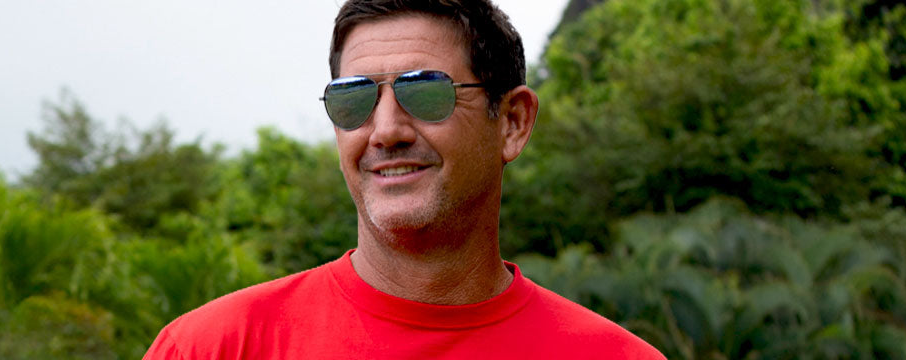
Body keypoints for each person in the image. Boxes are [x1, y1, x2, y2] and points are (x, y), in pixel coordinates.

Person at [141, 0, 663, 358]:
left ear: (512, 122)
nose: (385, 130)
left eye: (426, 92)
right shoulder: (215, 347)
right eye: (354, 98)